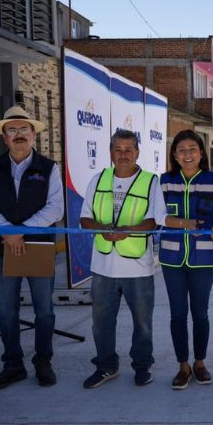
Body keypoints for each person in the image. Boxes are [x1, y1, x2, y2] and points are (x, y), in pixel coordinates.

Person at [0, 106, 64, 390]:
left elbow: (56, 207)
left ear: (33, 134)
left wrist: (21, 232)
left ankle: (43, 361)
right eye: (12, 130)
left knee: (45, 310)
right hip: (2, 248)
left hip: (36, 246)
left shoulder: (49, 168)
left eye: (24, 129)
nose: (19, 134)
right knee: (9, 311)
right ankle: (13, 365)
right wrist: (8, 233)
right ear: (4, 137)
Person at [79, 129, 164, 389]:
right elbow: (84, 219)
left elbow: (155, 220)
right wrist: (102, 229)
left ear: (138, 152)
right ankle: (106, 366)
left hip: (137, 266)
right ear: (111, 152)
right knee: (101, 322)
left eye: (129, 149)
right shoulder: (98, 179)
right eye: (118, 149)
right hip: (104, 266)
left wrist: (128, 231)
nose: (124, 154)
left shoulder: (151, 181)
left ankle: (142, 365)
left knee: (143, 323)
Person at [156, 130, 213, 389]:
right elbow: (159, 216)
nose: (187, 154)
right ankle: (183, 366)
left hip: (204, 258)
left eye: (192, 149)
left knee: (201, 313)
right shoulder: (163, 181)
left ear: (201, 153)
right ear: (174, 154)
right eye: (181, 150)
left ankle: (200, 363)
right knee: (177, 314)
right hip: (172, 258)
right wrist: (183, 223)